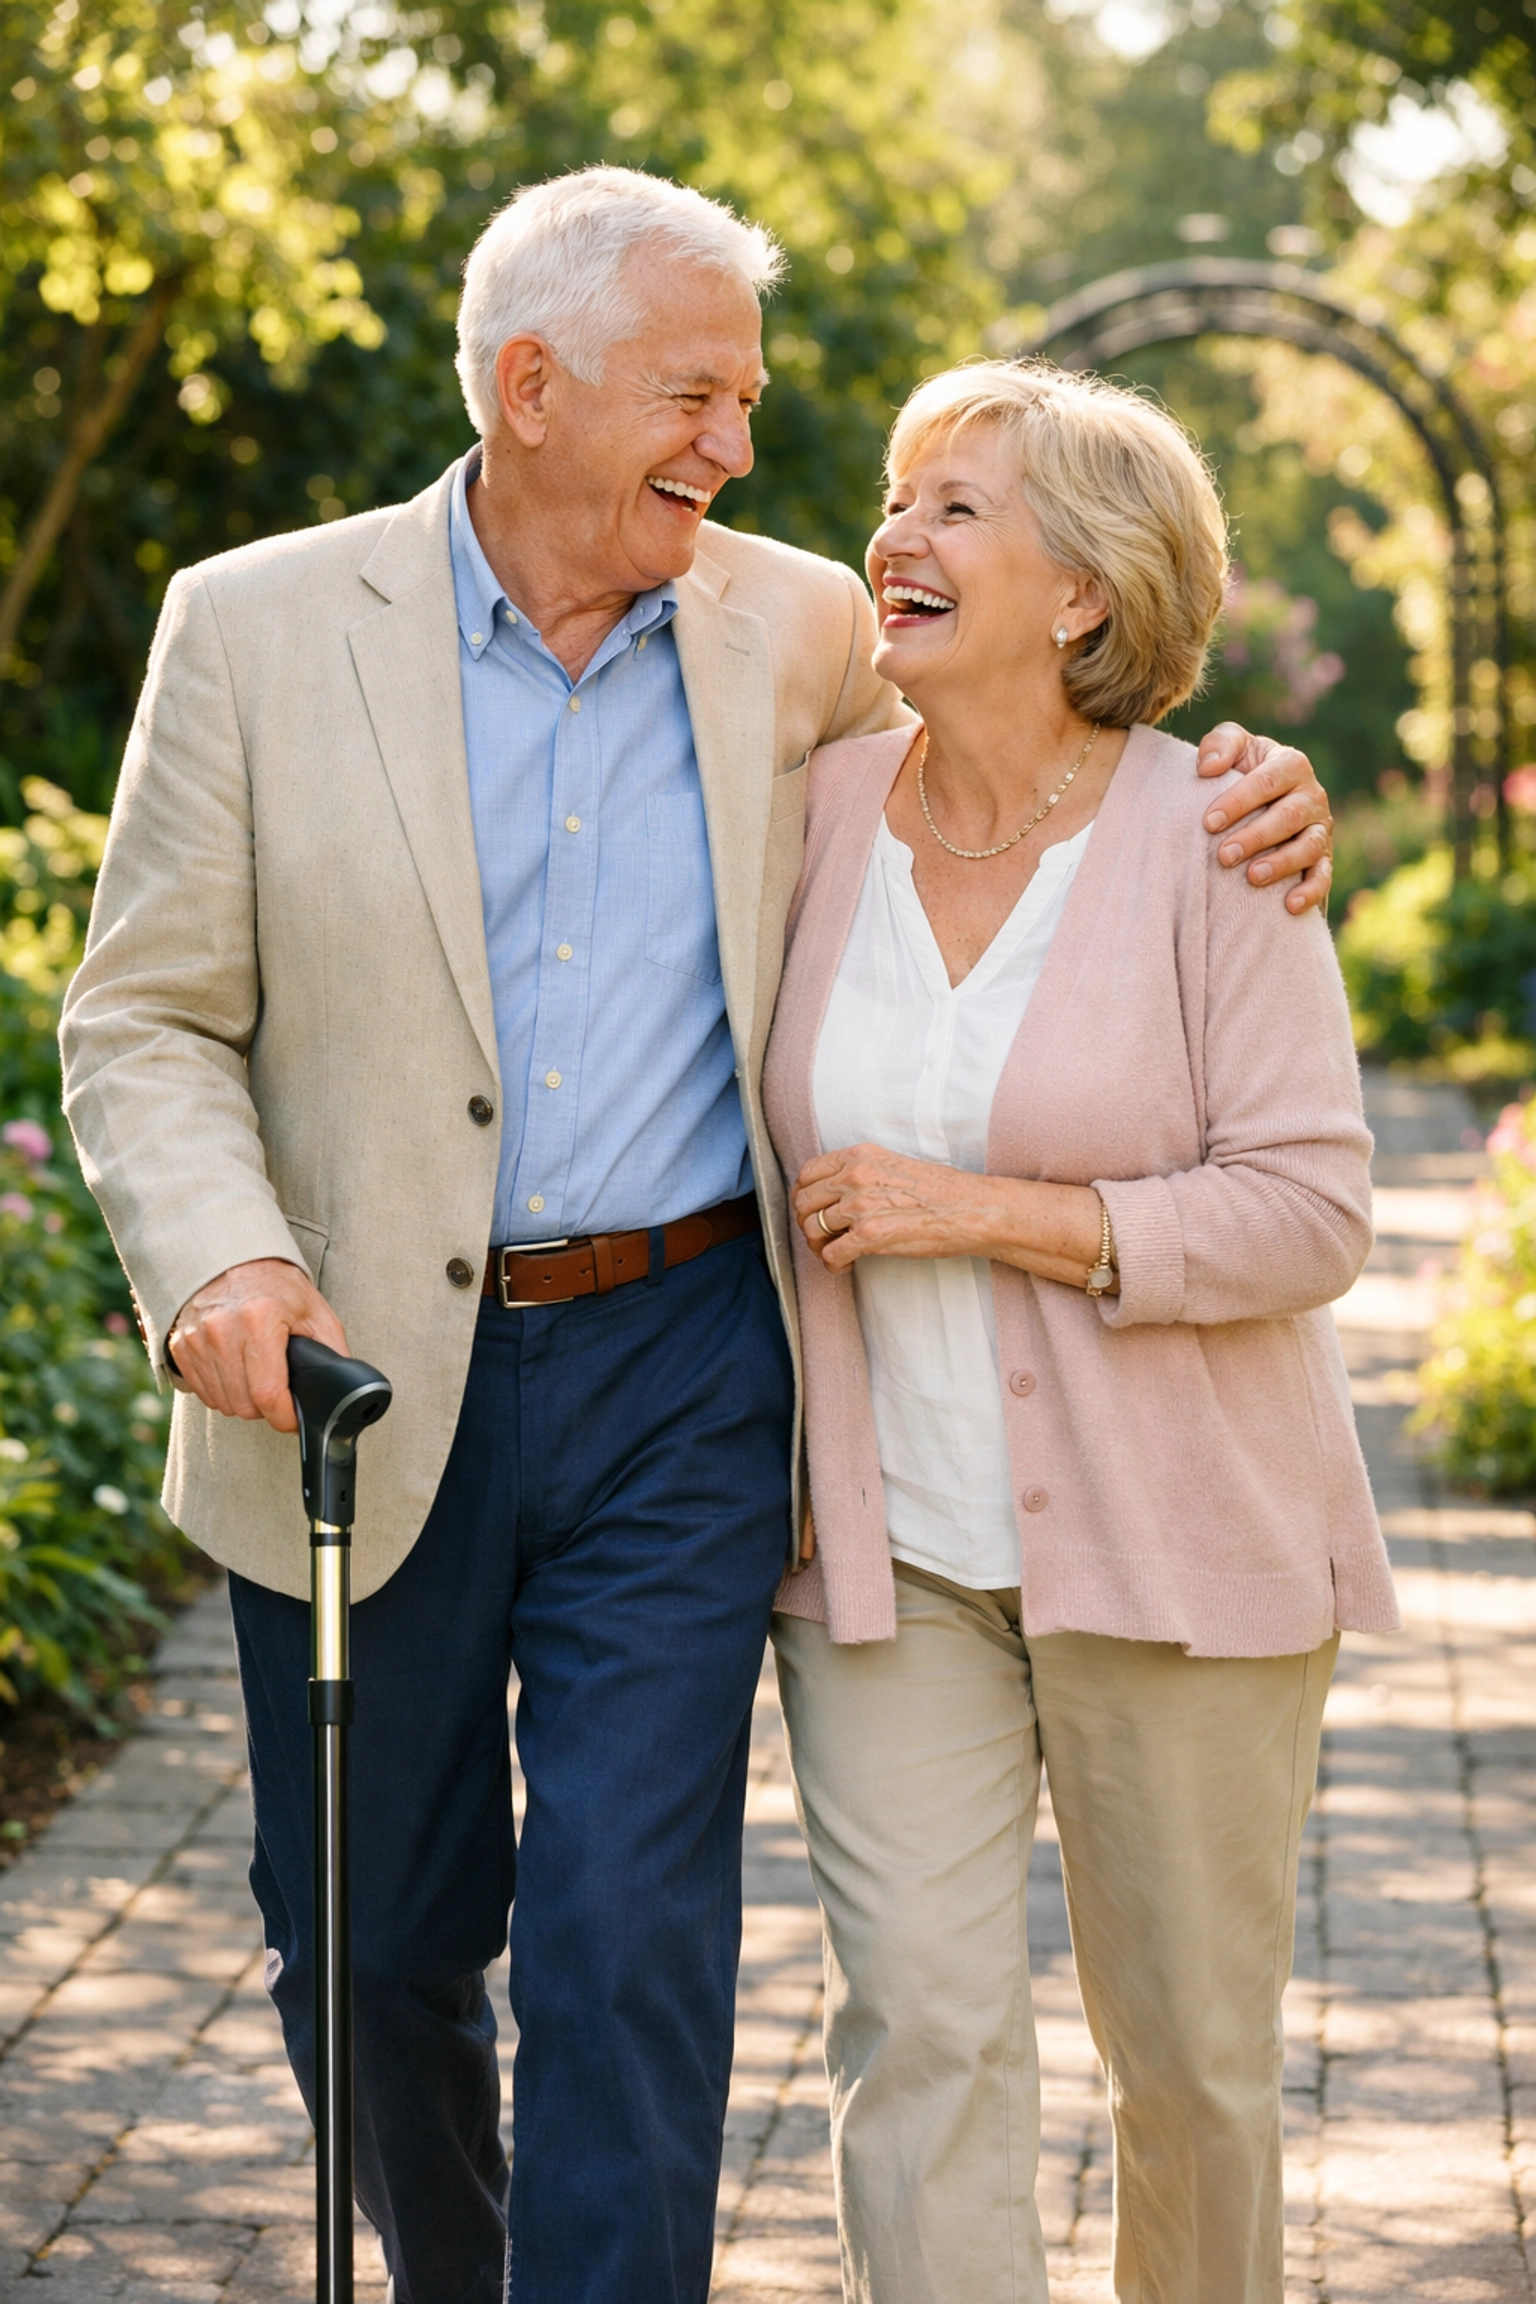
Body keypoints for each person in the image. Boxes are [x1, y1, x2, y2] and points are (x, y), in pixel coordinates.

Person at [61, 169, 1335, 2304]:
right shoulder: (258, 623)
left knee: (630, 1938)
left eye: (746, 400)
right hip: (360, 1377)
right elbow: (147, 1011)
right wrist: (222, 1261)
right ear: (532, 387)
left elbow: (1052, 760)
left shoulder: (801, 634)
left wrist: (1244, 785)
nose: (742, 450)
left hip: (684, 1374)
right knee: (366, 1955)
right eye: (698, 397)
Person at [764, 360, 1399, 2304]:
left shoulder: (1216, 832)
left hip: (1180, 1553)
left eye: (959, 505)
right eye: (898, 496)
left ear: (1089, 591)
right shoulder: (805, 810)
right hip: (891, 1566)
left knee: (1193, 2074)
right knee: (918, 2046)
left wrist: (995, 1217)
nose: (898, 536)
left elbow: (1315, 1210)